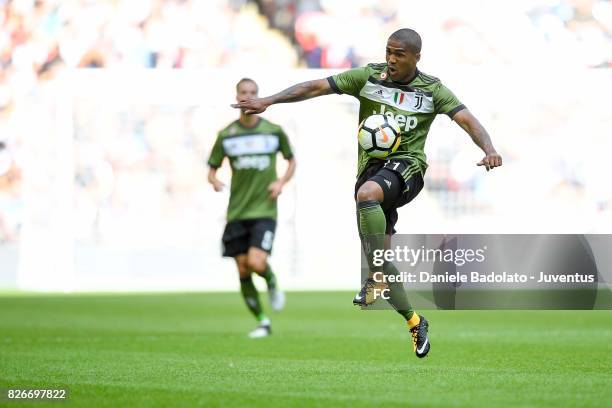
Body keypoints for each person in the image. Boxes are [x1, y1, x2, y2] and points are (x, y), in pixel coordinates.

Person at [232, 28, 502, 357]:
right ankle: (415, 321)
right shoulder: (368, 77)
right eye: (389, 51)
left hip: (407, 168)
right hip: (371, 172)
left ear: (416, 57)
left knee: (368, 198)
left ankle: (373, 275)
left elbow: (467, 120)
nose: (391, 58)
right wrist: (268, 100)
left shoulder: (432, 90)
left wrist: (488, 148)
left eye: (399, 54)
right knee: (383, 260)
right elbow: (316, 86)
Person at [208, 78, 296, 338]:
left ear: (258, 97)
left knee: (257, 263)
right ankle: (262, 322)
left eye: (253, 93)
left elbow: (291, 161)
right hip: (237, 212)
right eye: (243, 93)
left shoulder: (273, 131)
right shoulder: (226, 135)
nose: (247, 97)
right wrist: (214, 180)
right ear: (236, 96)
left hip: (264, 210)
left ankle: (270, 281)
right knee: (243, 269)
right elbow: (211, 170)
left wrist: (281, 182)